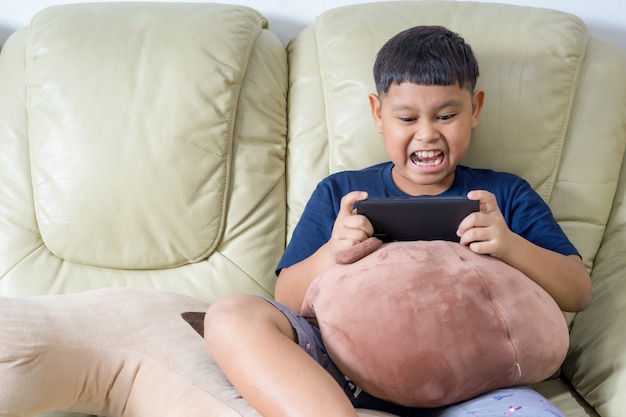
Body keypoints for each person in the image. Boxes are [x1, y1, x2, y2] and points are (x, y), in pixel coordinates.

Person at [203, 25, 592, 417]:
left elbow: (578, 293)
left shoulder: (504, 194)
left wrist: (510, 246)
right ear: (378, 113)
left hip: (474, 384)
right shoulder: (343, 192)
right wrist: (331, 253)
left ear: (474, 109)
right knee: (231, 315)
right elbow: (285, 297)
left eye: (446, 115)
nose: (427, 134)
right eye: (407, 118)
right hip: (345, 372)